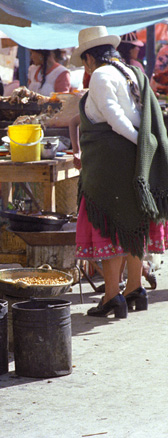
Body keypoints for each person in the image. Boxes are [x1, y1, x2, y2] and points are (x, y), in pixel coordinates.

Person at [70, 26, 168, 318]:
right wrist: (144, 149)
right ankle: (134, 287)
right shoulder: (130, 72)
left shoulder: (101, 75)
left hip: (109, 166)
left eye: (85, 62)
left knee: (110, 227)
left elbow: (116, 119)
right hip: (133, 163)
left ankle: (112, 295)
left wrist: (142, 144)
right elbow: (137, 116)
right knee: (134, 224)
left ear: (89, 58)